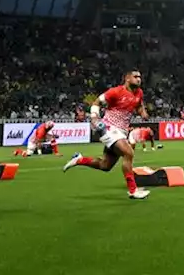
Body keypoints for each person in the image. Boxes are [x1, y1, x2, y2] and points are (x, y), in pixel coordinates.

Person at [63, 70, 151, 200]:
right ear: (127, 78)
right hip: (108, 127)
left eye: (140, 77)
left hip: (121, 131)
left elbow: (139, 105)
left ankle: (80, 159)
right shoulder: (115, 92)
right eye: (135, 77)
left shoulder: (139, 93)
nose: (139, 79)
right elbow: (96, 103)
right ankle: (133, 190)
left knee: (105, 165)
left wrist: (142, 112)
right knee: (128, 153)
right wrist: (94, 118)